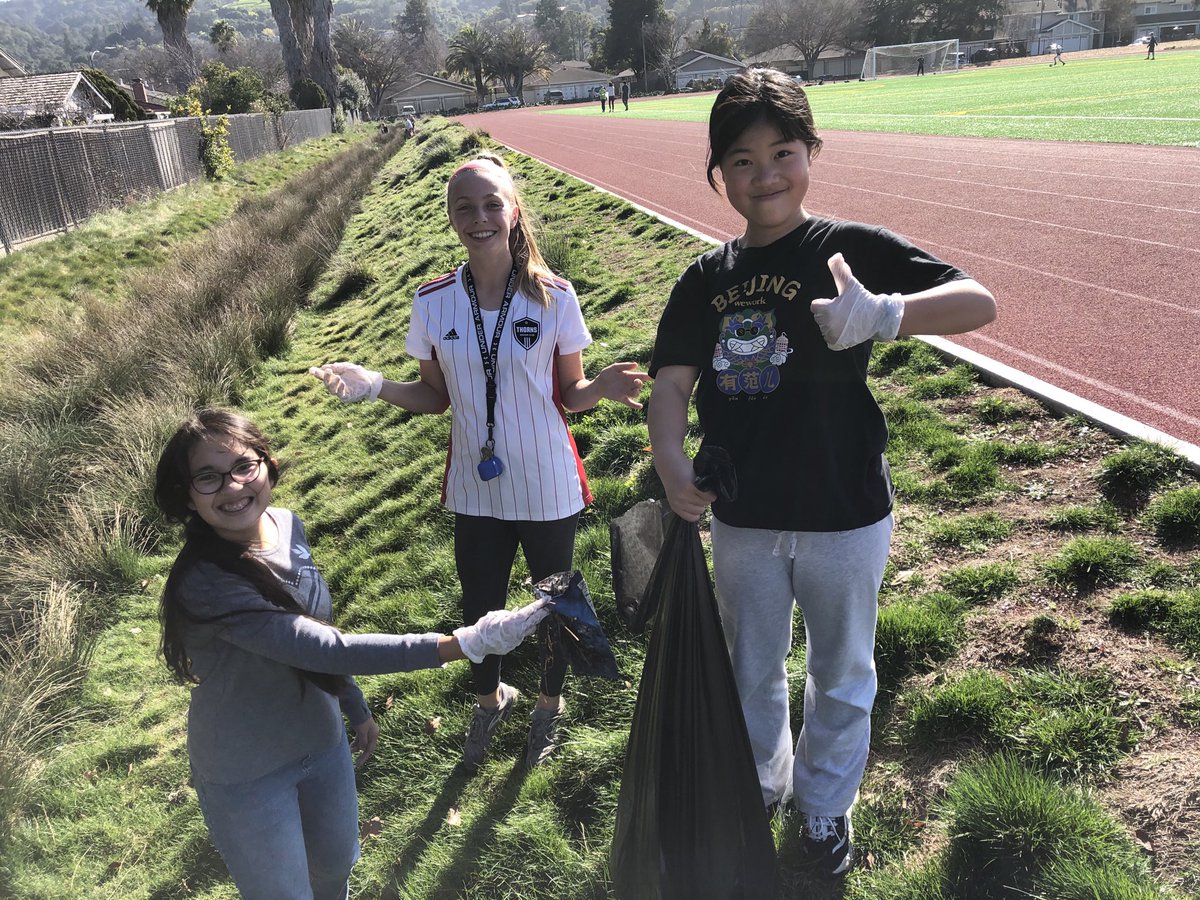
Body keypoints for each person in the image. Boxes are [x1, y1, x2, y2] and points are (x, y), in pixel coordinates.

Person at [646, 68, 996, 878]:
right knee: (751, 668)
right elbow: (670, 386)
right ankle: (763, 786)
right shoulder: (705, 280)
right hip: (742, 517)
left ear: (812, 152)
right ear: (717, 173)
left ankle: (824, 812)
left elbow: (977, 301)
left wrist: (888, 315)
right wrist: (670, 464)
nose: (764, 173)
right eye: (740, 159)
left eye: (782, 151)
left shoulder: (851, 249)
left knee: (841, 673)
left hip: (846, 512)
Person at [311, 153, 648, 773]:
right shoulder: (433, 302)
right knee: (480, 605)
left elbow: (568, 396)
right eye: (464, 207)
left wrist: (598, 387)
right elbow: (435, 397)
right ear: (449, 217)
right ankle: (491, 697)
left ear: (513, 209)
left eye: (492, 203)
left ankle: (549, 704)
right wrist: (375, 384)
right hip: (474, 488)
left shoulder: (556, 297)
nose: (480, 217)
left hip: (548, 483)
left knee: (554, 603)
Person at [155, 408, 549, 900]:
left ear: (267, 464)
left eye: (242, 466)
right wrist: (464, 643)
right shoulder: (204, 582)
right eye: (208, 478)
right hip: (246, 770)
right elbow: (319, 646)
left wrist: (354, 706)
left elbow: (320, 630)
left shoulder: (285, 525)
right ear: (187, 496)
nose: (233, 487)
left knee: (337, 868)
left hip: (321, 742)